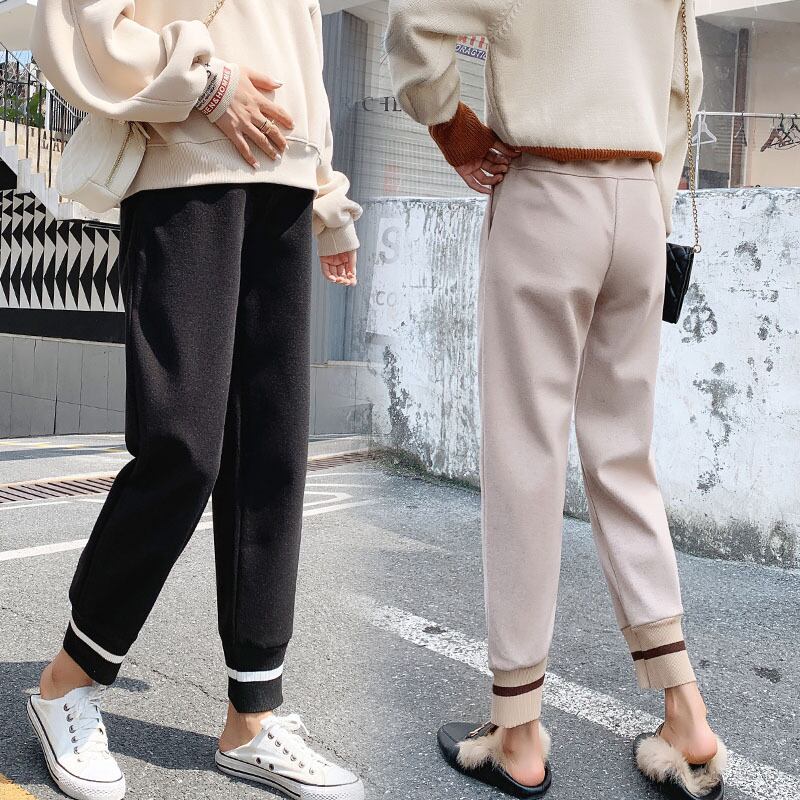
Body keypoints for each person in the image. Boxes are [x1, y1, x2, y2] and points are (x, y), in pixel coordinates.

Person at [386, 0, 728, 797]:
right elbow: (685, 82)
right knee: (623, 456)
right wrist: (650, 195)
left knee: (525, 456)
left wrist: (455, 130)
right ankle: (685, 711)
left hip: (545, 188)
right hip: (640, 202)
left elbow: (413, 22)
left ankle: (518, 731)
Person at [26, 2, 364, 799]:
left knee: (270, 457)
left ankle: (253, 717)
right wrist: (202, 83)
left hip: (284, 177)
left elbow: (301, 45)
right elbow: (81, 15)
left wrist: (327, 198)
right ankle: (65, 681)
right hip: (186, 160)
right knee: (181, 445)